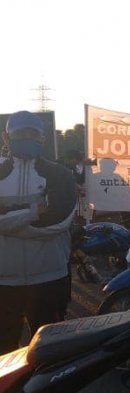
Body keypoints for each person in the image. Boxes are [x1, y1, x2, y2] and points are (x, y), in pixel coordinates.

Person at [0, 111, 77, 354]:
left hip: (49, 278)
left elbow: (59, 221)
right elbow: (45, 218)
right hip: (3, 282)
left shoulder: (61, 174)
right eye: (20, 133)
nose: (27, 138)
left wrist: (7, 220)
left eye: (33, 134)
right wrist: (34, 211)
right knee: (4, 353)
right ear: (6, 137)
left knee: (48, 354)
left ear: (43, 138)